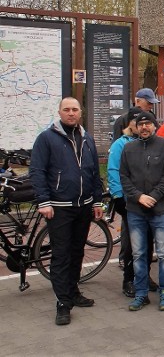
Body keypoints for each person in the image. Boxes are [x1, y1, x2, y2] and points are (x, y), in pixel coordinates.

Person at [30, 97, 104, 325]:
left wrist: (97, 202)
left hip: (83, 206)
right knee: (61, 256)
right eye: (67, 110)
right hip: (59, 207)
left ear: (80, 112)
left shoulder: (87, 138)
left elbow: (93, 173)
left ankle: (73, 292)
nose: (71, 113)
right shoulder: (46, 138)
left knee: (77, 252)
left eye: (74, 109)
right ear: (60, 112)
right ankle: (62, 302)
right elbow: (37, 171)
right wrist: (44, 201)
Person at [120, 110, 164, 312]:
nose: (144, 127)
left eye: (148, 124)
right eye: (140, 124)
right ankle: (141, 293)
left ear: (154, 126)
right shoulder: (128, 148)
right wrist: (138, 197)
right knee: (138, 254)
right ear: (135, 127)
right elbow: (124, 177)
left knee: (163, 254)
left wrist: (153, 196)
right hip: (136, 210)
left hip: (160, 209)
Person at [108, 107, 154, 297]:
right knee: (131, 244)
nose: (141, 126)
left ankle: (144, 276)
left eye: (144, 123)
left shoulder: (153, 143)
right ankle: (129, 279)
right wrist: (118, 197)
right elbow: (113, 171)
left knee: (149, 242)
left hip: (151, 202)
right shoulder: (121, 144)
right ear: (130, 125)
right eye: (137, 123)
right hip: (130, 202)